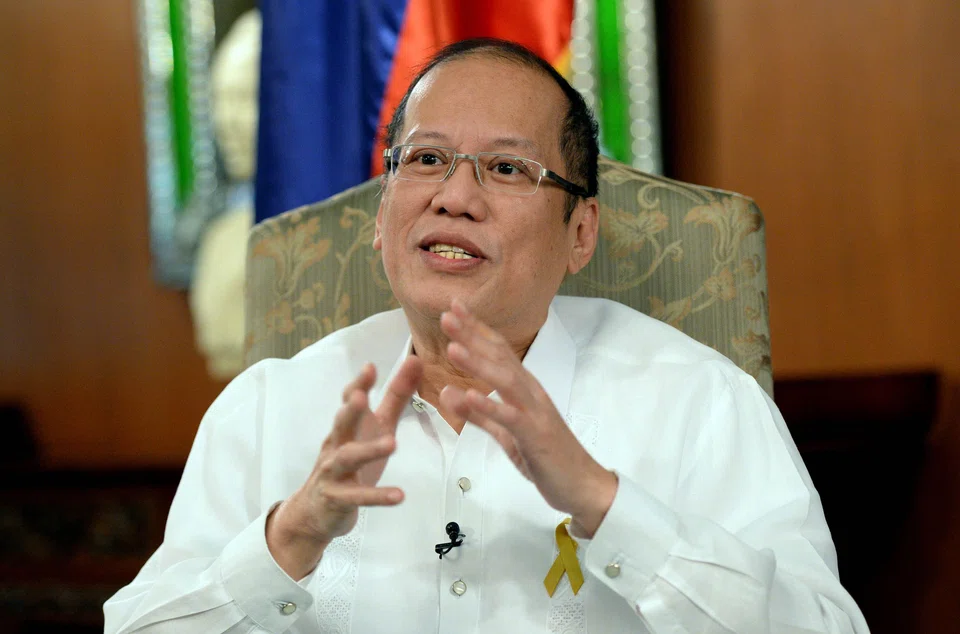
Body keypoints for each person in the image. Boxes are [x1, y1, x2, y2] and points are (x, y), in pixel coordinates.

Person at [104, 39, 869, 633]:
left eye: (506, 169)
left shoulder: (698, 401)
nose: (455, 197)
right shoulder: (268, 408)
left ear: (581, 232)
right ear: (381, 215)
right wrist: (292, 537)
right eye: (427, 159)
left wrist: (605, 503)